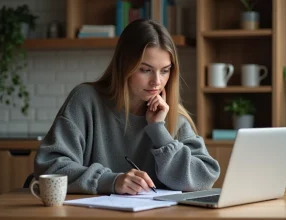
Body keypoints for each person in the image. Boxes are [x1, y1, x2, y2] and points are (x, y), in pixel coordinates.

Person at [34, 19, 220, 195]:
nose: (157, 81)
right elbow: (50, 166)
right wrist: (110, 181)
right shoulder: (85, 100)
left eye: (165, 70)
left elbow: (204, 178)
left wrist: (158, 131)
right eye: (145, 69)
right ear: (125, 66)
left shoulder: (171, 115)